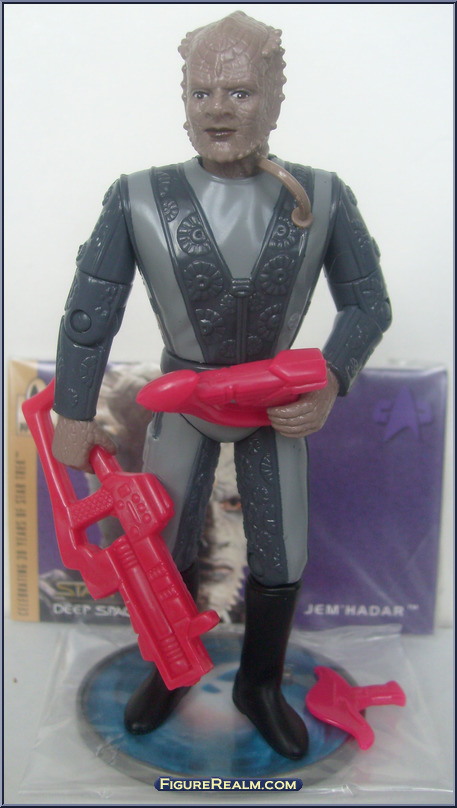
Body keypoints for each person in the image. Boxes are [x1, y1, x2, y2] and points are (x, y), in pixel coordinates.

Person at [51, 11, 391, 760]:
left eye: (239, 92)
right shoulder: (136, 197)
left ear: (274, 98)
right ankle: (168, 670)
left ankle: (259, 685)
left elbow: (367, 304)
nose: (217, 110)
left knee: (282, 551)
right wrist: (72, 413)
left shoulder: (323, 196)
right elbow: (90, 315)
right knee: (161, 537)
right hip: (180, 401)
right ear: (182, 98)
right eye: (201, 92)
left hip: (276, 405)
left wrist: (331, 378)